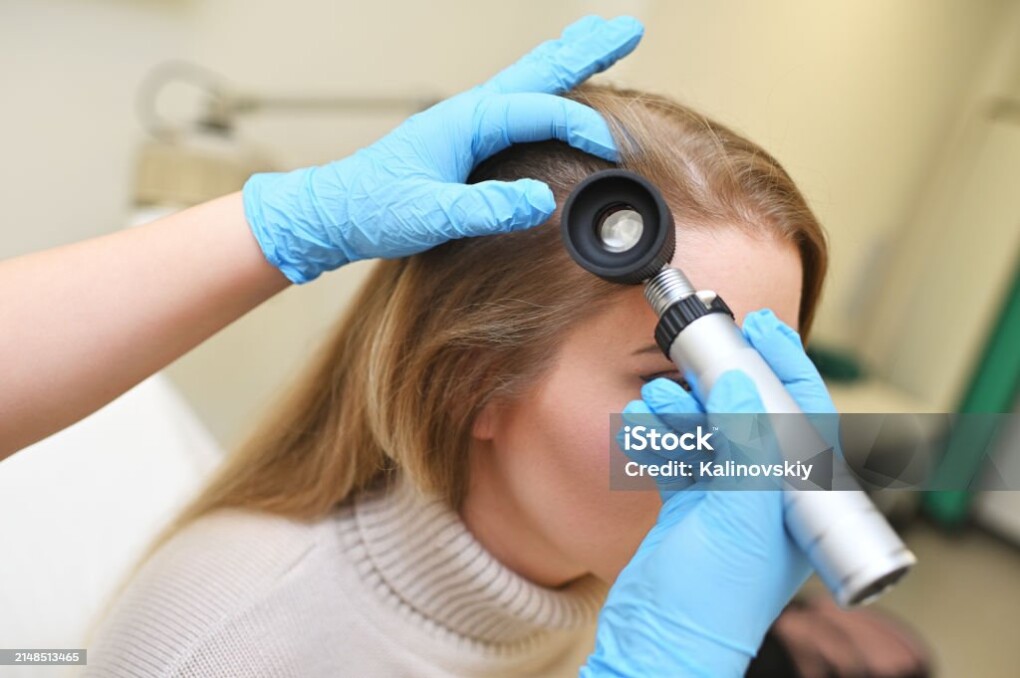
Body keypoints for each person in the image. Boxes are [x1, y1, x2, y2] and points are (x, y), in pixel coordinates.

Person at [1, 15, 928, 677]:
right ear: (471, 379)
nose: (752, 450)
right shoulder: (227, 646)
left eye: (764, 384)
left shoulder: (601, 582)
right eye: (679, 383)